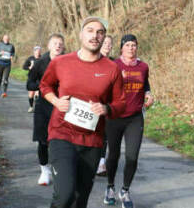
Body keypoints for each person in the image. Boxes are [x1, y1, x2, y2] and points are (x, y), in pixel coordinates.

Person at [39, 16, 126, 208]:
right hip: (61, 135)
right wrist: (55, 101)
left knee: (80, 200)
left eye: (100, 32)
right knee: (65, 195)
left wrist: (106, 109)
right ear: (80, 35)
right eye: (90, 31)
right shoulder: (61, 62)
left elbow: (121, 103)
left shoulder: (112, 69)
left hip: (92, 142)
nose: (95, 36)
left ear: (104, 38)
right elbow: (45, 85)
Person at [104, 34, 153, 208]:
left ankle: (125, 191)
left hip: (135, 118)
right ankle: (110, 187)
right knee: (114, 155)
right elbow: (104, 88)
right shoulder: (113, 65)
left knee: (132, 157)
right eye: (128, 45)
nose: (131, 48)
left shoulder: (143, 66)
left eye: (134, 45)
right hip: (115, 116)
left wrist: (148, 94)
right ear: (121, 48)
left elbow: (145, 84)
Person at [27, 34, 65, 186]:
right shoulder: (40, 63)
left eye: (60, 44)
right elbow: (29, 84)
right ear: (48, 46)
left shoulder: (69, 62)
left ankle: (60, 169)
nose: (57, 46)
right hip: (44, 105)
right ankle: (44, 171)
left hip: (63, 107)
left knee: (61, 141)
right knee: (43, 141)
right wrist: (44, 86)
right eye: (54, 43)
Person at [96, 35, 114, 176]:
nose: (108, 45)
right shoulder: (94, 59)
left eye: (110, 43)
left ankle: (101, 163)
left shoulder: (114, 63)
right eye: (105, 43)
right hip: (93, 101)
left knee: (105, 134)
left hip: (108, 104)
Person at [23, 46, 42, 113]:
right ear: (34, 52)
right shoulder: (30, 59)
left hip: (39, 78)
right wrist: (29, 67)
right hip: (31, 78)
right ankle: (31, 107)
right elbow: (24, 67)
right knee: (31, 94)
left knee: (38, 94)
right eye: (36, 51)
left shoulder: (42, 59)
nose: (38, 52)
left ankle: (37, 106)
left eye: (39, 51)